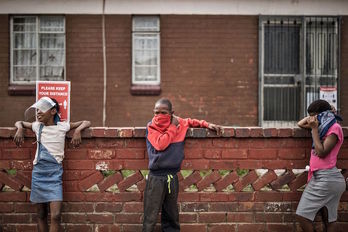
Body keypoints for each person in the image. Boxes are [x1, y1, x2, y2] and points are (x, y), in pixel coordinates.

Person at [142, 98, 222, 232]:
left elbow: (191, 121)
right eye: (156, 112)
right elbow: (161, 145)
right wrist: (173, 127)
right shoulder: (151, 127)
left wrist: (207, 124)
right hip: (156, 178)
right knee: (150, 216)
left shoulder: (179, 123)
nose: (159, 116)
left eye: (163, 112)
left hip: (172, 177)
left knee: (171, 216)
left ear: (172, 113)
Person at [13, 97, 91, 232]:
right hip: (39, 174)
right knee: (41, 214)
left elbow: (86, 122)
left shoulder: (63, 126)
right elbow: (18, 122)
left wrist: (78, 131)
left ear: (53, 111)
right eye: (36, 110)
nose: (38, 113)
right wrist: (19, 128)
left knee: (56, 215)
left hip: (55, 175)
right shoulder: (37, 126)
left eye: (42, 109)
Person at [296, 99, 345, 232]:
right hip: (321, 177)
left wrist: (314, 129)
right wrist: (314, 118)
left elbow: (321, 152)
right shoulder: (322, 125)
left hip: (327, 178)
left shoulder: (334, 128)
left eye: (314, 115)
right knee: (327, 219)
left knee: (303, 216)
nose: (312, 119)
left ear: (322, 114)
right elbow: (300, 123)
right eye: (311, 116)